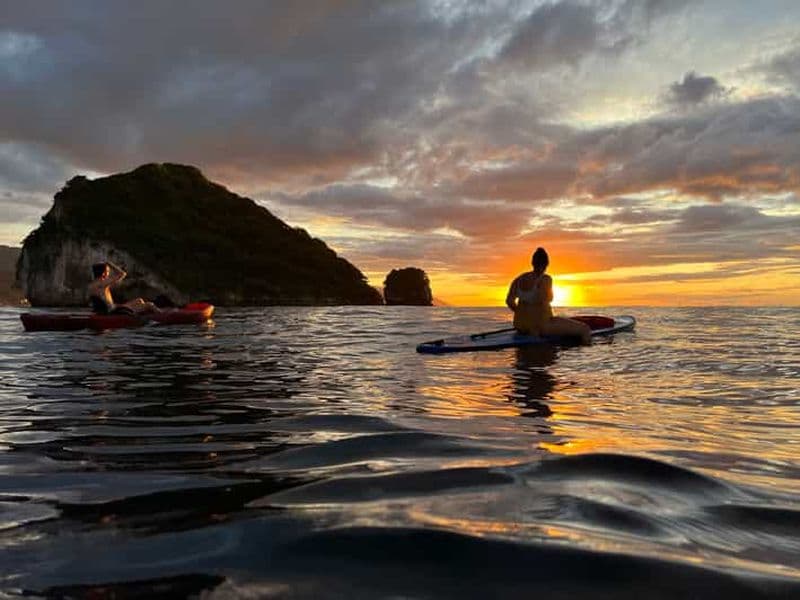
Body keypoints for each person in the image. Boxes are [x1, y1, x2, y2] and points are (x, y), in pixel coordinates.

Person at [505, 247, 591, 345]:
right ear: (546, 264)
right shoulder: (545, 279)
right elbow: (547, 299)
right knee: (585, 329)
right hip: (540, 326)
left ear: (532, 263)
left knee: (557, 320)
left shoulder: (518, 279)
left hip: (520, 325)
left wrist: (521, 312)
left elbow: (509, 301)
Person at [87, 261, 158, 315]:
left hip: (112, 308)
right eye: (108, 271)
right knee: (150, 305)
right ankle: (161, 316)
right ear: (103, 273)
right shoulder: (102, 283)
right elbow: (122, 274)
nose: (108, 273)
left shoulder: (91, 285)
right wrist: (109, 263)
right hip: (113, 312)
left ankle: (143, 314)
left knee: (139, 300)